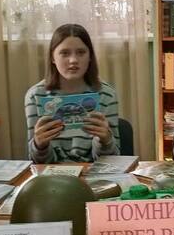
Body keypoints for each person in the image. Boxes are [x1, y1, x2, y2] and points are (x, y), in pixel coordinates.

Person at [25, 24, 119, 163]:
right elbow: (37, 162)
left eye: (81, 52)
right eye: (65, 53)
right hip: (52, 173)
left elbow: (114, 160)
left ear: (90, 56)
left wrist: (105, 140)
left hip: (94, 172)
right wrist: (40, 145)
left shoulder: (106, 95)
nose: (73, 60)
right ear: (52, 58)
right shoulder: (35, 96)